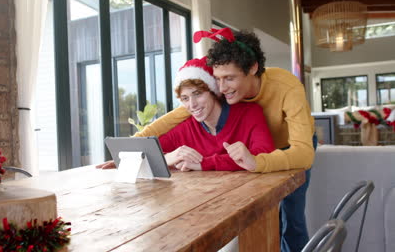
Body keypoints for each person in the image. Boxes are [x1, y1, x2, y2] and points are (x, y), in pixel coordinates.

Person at [128, 28, 316, 252]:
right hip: (256, 152)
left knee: (291, 217)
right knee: (266, 215)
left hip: (290, 145)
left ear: (253, 68)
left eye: (229, 78)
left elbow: (304, 153)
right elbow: (174, 117)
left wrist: (257, 162)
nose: (222, 87)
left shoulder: (287, 87)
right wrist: (133, 147)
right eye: (217, 79)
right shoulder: (217, 96)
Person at [157, 57, 275, 171]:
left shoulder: (249, 113)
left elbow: (265, 153)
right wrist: (167, 158)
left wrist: (204, 164)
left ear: (213, 92)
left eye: (198, 94)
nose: (192, 105)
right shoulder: (186, 128)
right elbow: (143, 155)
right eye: (185, 98)